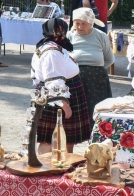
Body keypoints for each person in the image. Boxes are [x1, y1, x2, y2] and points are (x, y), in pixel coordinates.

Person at [31, 18, 92, 152]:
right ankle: (42, 170)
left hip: (67, 93)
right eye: (61, 30)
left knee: (67, 139)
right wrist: (64, 104)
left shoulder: (54, 46)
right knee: (49, 139)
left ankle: (64, 168)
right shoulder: (52, 51)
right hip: (57, 99)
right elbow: (54, 81)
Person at [67, 8, 115, 116]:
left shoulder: (100, 36)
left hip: (96, 80)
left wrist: (96, 69)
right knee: (78, 112)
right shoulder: (69, 36)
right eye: (77, 23)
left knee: (97, 111)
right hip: (75, 79)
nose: (79, 27)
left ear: (91, 23)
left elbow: (110, 59)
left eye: (83, 24)